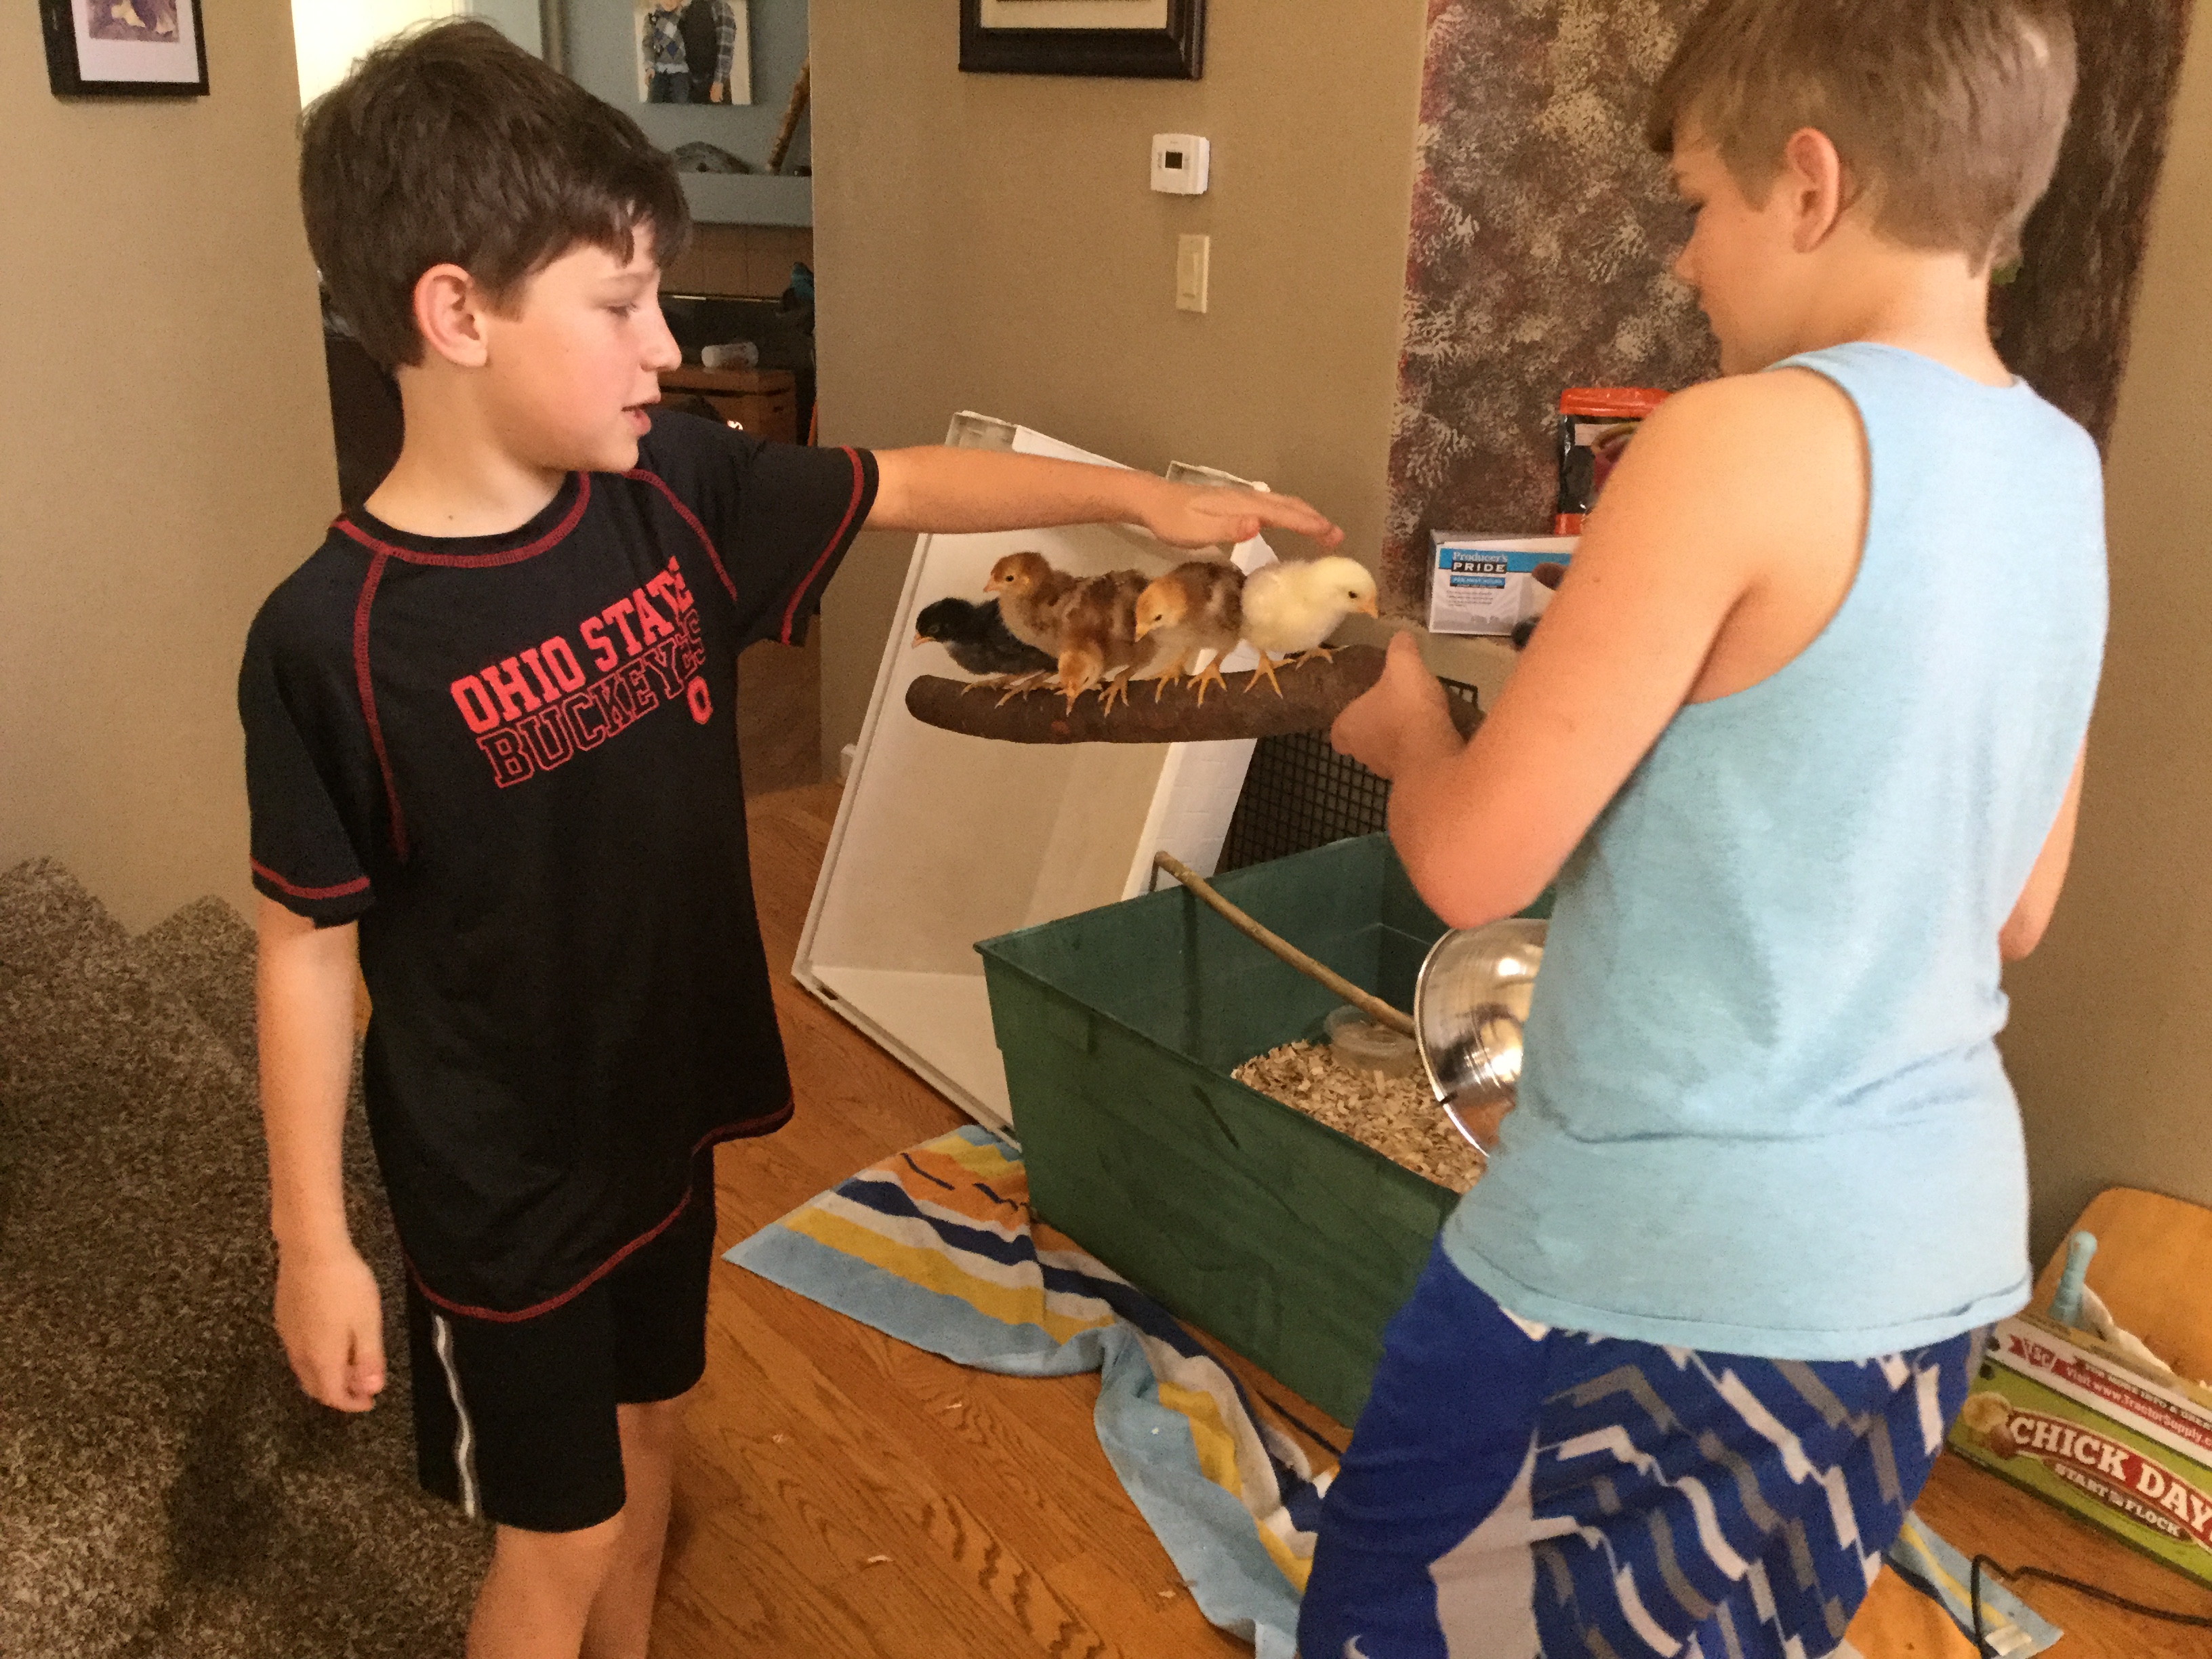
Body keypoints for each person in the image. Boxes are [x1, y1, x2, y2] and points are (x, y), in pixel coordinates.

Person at [245, 22, 1339, 1659]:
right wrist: (313, 1239)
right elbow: (302, 943)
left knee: (651, 1443)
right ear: (457, 314)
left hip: (663, 1110)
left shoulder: (673, 490)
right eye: (620, 305)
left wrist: (1138, 500)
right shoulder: (328, 642)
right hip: (501, 1183)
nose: (665, 345)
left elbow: (897, 485)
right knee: (559, 1537)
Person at [1309, 1, 2101, 1654]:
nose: (1685, 262)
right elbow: (2018, 909)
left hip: (1654, 1273)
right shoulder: (2058, 468)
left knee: (1398, 1621)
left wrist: (1407, 726)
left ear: (1809, 184)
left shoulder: (1728, 441)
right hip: (1926, 1274)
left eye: (1696, 204)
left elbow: (1470, 864)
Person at [681, 0, 738, 105]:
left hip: (713, 84)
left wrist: (719, 82)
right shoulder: (686, 11)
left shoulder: (721, 8)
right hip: (691, 85)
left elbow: (725, 48)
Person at [641, 0, 687, 103]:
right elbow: (647, 45)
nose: (669, 2)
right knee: (654, 101)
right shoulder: (652, 18)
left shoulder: (685, 16)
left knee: (682, 101)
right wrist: (650, 66)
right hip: (659, 69)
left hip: (681, 69)